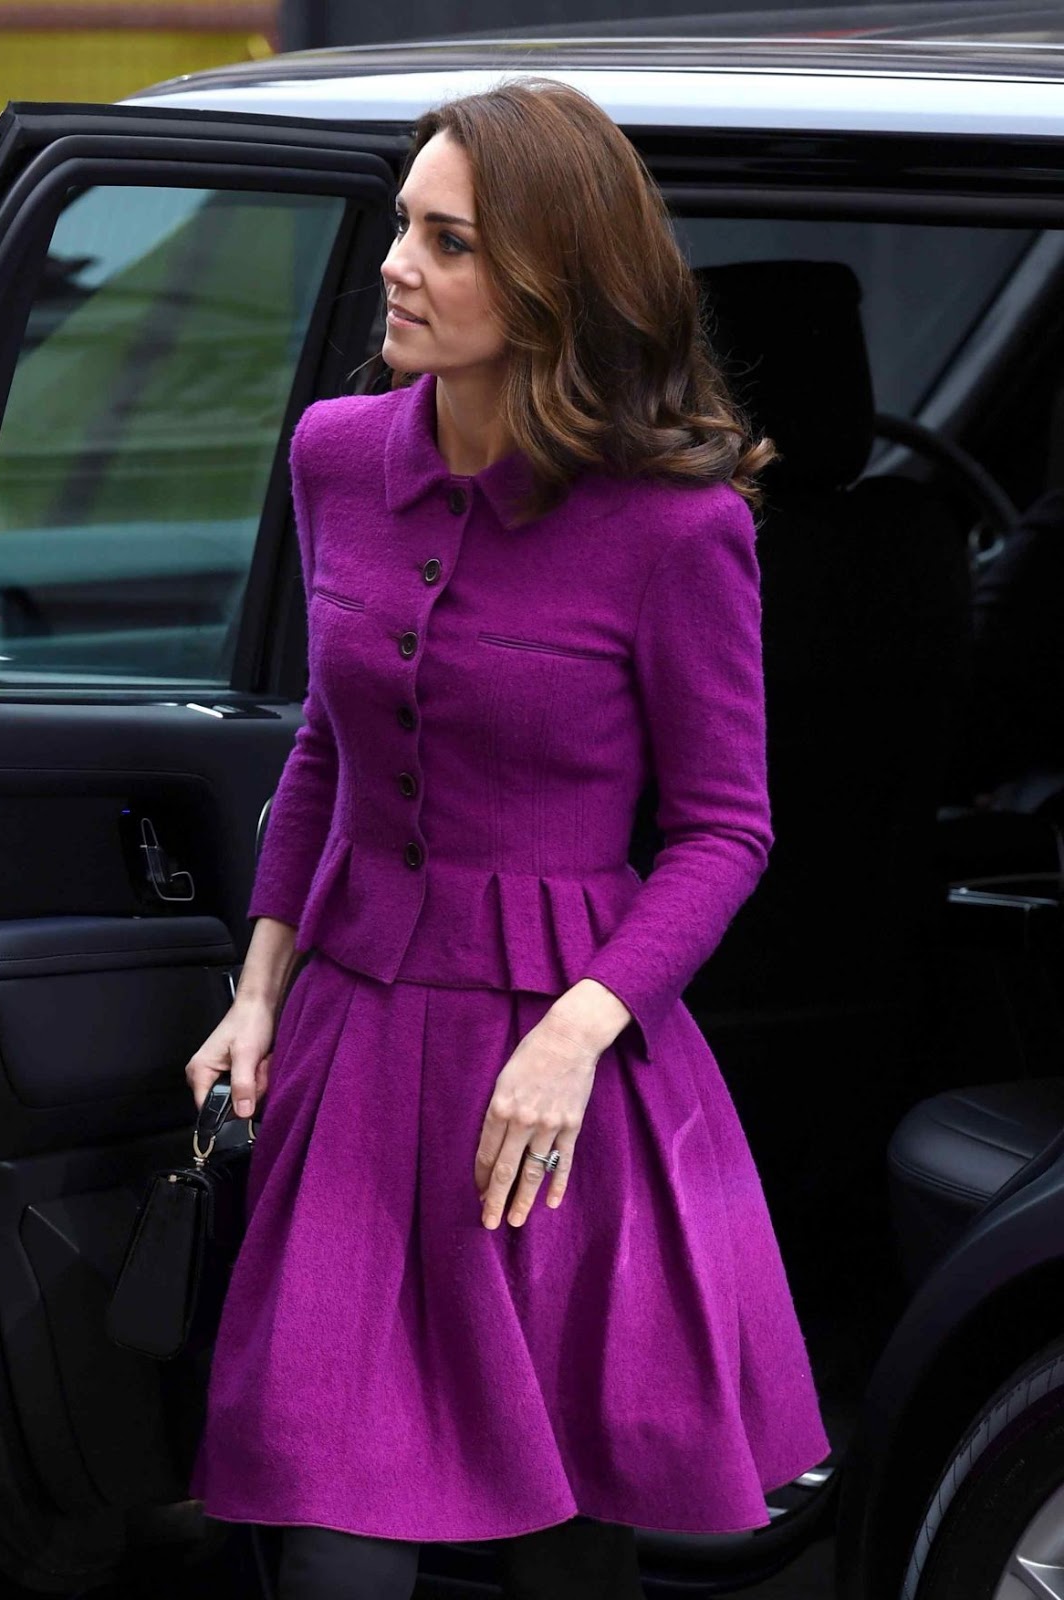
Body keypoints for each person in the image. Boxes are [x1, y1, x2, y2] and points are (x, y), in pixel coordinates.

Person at [183, 75, 831, 1600]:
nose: (397, 264)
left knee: (561, 1544)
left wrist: (577, 1034)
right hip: (351, 1050)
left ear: (553, 284)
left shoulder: (675, 529)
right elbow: (328, 745)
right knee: (323, 1537)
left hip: (554, 1088)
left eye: (449, 241)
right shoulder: (335, 455)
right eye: (404, 225)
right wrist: (257, 990)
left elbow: (725, 830)